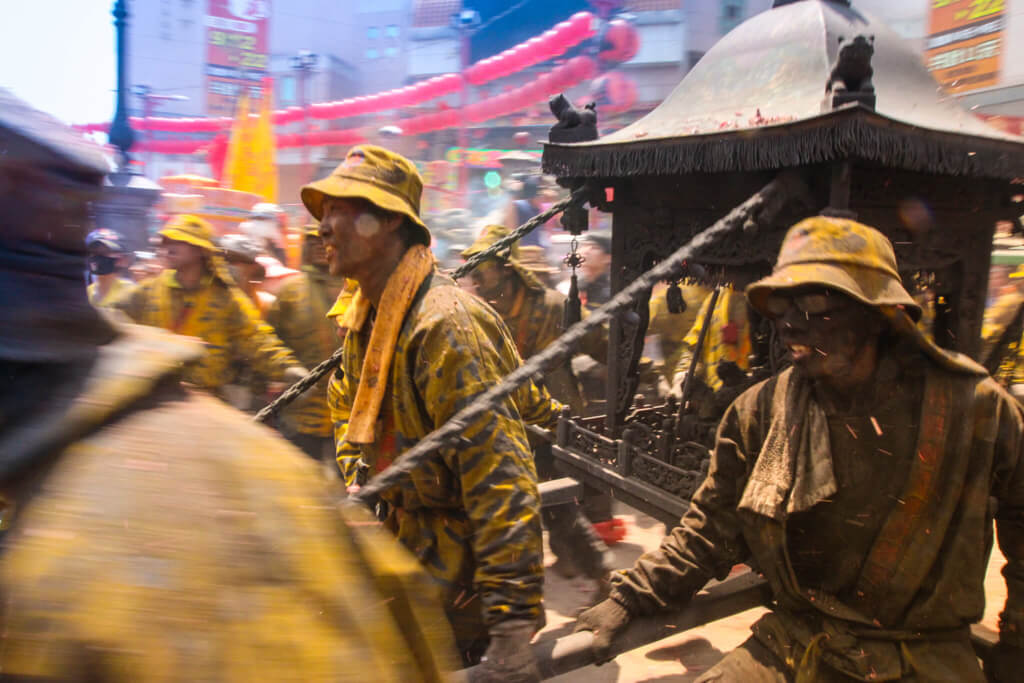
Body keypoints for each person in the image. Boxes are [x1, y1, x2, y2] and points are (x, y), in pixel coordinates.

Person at [0, 88, 457, 682]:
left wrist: (288, 373)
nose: (327, 231)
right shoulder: (150, 297)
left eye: (349, 214)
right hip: (215, 420)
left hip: (261, 427)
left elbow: (256, 342)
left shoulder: (429, 319)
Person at [575, 216, 1024, 682]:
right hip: (799, 641)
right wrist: (630, 597)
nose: (790, 327)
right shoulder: (761, 413)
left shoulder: (976, 409)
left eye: (814, 304)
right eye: (783, 307)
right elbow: (710, 527)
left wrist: (1018, 640)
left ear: (877, 315)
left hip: (919, 657)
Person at [305, 145, 553, 677]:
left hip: (459, 580)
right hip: (402, 548)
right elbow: (347, 410)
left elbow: (502, 481)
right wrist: (360, 482)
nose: (323, 227)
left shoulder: (445, 326)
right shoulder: (364, 318)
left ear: (389, 221)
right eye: (323, 212)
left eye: (341, 210)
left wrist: (511, 627)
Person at [461, 225, 612, 586]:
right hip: (504, 425)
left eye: (483, 267)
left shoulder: (554, 307)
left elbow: (603, 344)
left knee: (556, 505)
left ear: (506, 268)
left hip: (550, 423)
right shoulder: (479, 312)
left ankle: (600, 574)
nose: (475, 277)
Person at [108, 214, 308, 398]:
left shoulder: (226, 299)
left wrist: (288, 368)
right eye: (166, 240)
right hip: (154, 397)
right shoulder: (148, 291)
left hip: (207, 402)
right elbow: (111, 317)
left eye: (178, 241)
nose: (167, 246)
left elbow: (256, 339)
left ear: (200, 250)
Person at [265, 224, 354, 465]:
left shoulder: (358, 290)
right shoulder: (291, 291)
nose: (317, 246)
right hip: (301, 413)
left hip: (350, 415)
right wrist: (285, 369)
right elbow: (269, 339)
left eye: (323, 240)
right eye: (311, 242)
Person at [219, 232, 275, 315]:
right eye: (221, 258)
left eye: (232, 259)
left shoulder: (267, 305)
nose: (226, 264)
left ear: (253, 267)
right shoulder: (205, 300)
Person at [85, 227, 134, 307]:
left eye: (105, 252)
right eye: (94, 252)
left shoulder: (131, 293)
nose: (98, 257)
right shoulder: (87, 291)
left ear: (123, 259)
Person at [579, 232, 612, 309]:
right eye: (584, 245)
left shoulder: (610, 291)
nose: (586, 251)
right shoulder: (579, 285)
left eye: (594, 247)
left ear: (607, 258)